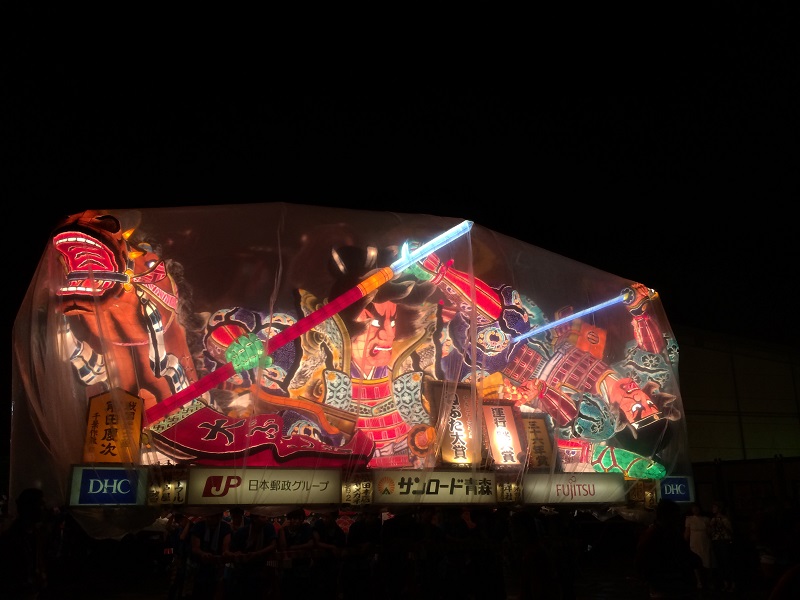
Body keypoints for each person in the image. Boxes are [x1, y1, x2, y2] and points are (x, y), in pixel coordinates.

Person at [636, 498, 701, 599]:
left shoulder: (667, 533)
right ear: (669, 516)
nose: (678, 519)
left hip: (673, 587)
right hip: (667, 588)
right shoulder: (657, 535)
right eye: (676, 515)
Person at [0, 488, 50, 599]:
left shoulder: (36, 534)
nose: (44, 508)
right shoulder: (10, 540)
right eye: (41, 504)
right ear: (30, 508)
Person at [228, 512, 278, 598]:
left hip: (263, 567)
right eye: (263, 516)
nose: (266, 519)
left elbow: (273, 545)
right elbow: (233, 549)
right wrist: (238, 553)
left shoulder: (269, 527)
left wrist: (257, 554)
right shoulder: (242, 531)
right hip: (244, 570)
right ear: (254, 519)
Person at [187, 511, 233, 600]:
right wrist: (203, 553)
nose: (209, 519)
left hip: (217, 565)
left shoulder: (225, 527)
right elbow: (195, 548)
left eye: (212, 516)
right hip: (199, 565)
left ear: (219, 517)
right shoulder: (198, 526)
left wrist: (226, 554)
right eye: (208, 516)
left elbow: (225, 547)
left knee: (215, 590)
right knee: (198, 590)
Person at [709, 500, 735, 593]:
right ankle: (725, 583)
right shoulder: (713, 519)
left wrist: (723, 525)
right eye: (712, 507)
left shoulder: (724, 519)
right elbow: (711, 532)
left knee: (726, 562)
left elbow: (730, 531)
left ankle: (732, 583)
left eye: (715, 507)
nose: (713, 509)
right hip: (716, 541)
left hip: (724, 541)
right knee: (720, 563)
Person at [684, 503, 711, 590]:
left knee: (706, 560)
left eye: (697, 508)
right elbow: (687, 532)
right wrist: (684, 541)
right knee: (695, 561)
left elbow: (709, 531)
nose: (695, 510)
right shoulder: (689, 519)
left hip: (704, 541)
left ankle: (708, 581)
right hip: (694, 541)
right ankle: (699, 581)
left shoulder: (705, 519)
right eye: (694, 508)